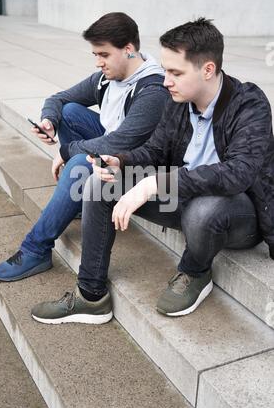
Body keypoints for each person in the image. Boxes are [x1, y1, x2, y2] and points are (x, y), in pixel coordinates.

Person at [30, 17, 274, 325]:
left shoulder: (249, 104)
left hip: (238, 214)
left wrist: (153, 184)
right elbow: (155, 151)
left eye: (175, 72)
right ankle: (91, 297)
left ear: (208, 69)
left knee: (204, 209)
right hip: (181, 194)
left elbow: (238, 174)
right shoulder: (177, 99)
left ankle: (195, 272)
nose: (165, 80)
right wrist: (119, 160)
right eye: (166, 69)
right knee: (98, 184)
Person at [0, 12, 168, 282]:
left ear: (129, 50)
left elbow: (115, 143)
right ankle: (78, 199)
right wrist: (49, 120)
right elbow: (58, 99)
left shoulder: (153, 91)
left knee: (78, 163)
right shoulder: (106, 78)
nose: (98, 63)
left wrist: (65, 152)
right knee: (70, 111)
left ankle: (35, 249)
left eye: (104, 55)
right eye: (95, 55)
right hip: (114, 156)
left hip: (142, 170)